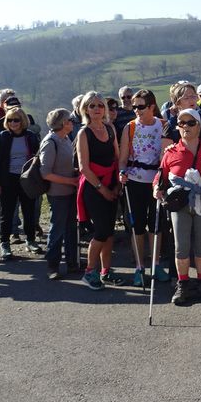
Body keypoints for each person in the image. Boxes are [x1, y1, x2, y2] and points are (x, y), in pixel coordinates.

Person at [155, 108, 201, 305]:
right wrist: (156, 189)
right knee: (181, 247)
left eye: (190, 123)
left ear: (199, 126)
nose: (185, 127)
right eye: (181, 123)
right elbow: (160, 177)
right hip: (179, 205)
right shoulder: (170, 152)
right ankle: (183, 284)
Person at [118, 89, 170, 286]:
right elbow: (122, 159)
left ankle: (156, 265)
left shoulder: (163, 126)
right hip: (134, 182)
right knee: (137, 227)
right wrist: (121, 172)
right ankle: (140, 267)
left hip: (156, 182)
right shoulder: (129, 128)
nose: (136, 110)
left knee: (155, 226)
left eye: (140, 106)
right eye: (134, 106)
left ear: (151, 106)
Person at [76, 91, 123, 290]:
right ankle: (90, 272)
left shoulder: (110, 128)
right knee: (101, 231)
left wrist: (118, 183)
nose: (97, 109)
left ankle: (106, 271)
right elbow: (83, 167)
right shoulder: (83, 133)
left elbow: (118, 158)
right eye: (92, 106)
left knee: (109, 232)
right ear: (85, 109)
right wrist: (102, 189)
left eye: (100, 105)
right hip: (93, 187)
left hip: (112, 184)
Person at [0, 106, 42, 259]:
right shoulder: (2, 137)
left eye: (16, 120)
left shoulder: (31, 137)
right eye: (10, 120)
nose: (13, 123)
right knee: (6, 213)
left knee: (29, 212)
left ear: (23, 121)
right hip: (8, 180)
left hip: (26, 180)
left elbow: (38, 159)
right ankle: (4, 243)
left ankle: (31, 240)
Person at [40, 108, 81, 280]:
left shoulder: (64, 139)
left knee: (71, 228)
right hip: (58, 194)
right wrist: (70, 181)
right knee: (57, 229)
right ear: (64, 123)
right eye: (70, 119)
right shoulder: (51, 142)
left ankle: (72, 263)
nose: (72, 122)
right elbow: (45, 173)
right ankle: (52, 266)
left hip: (70, 192)